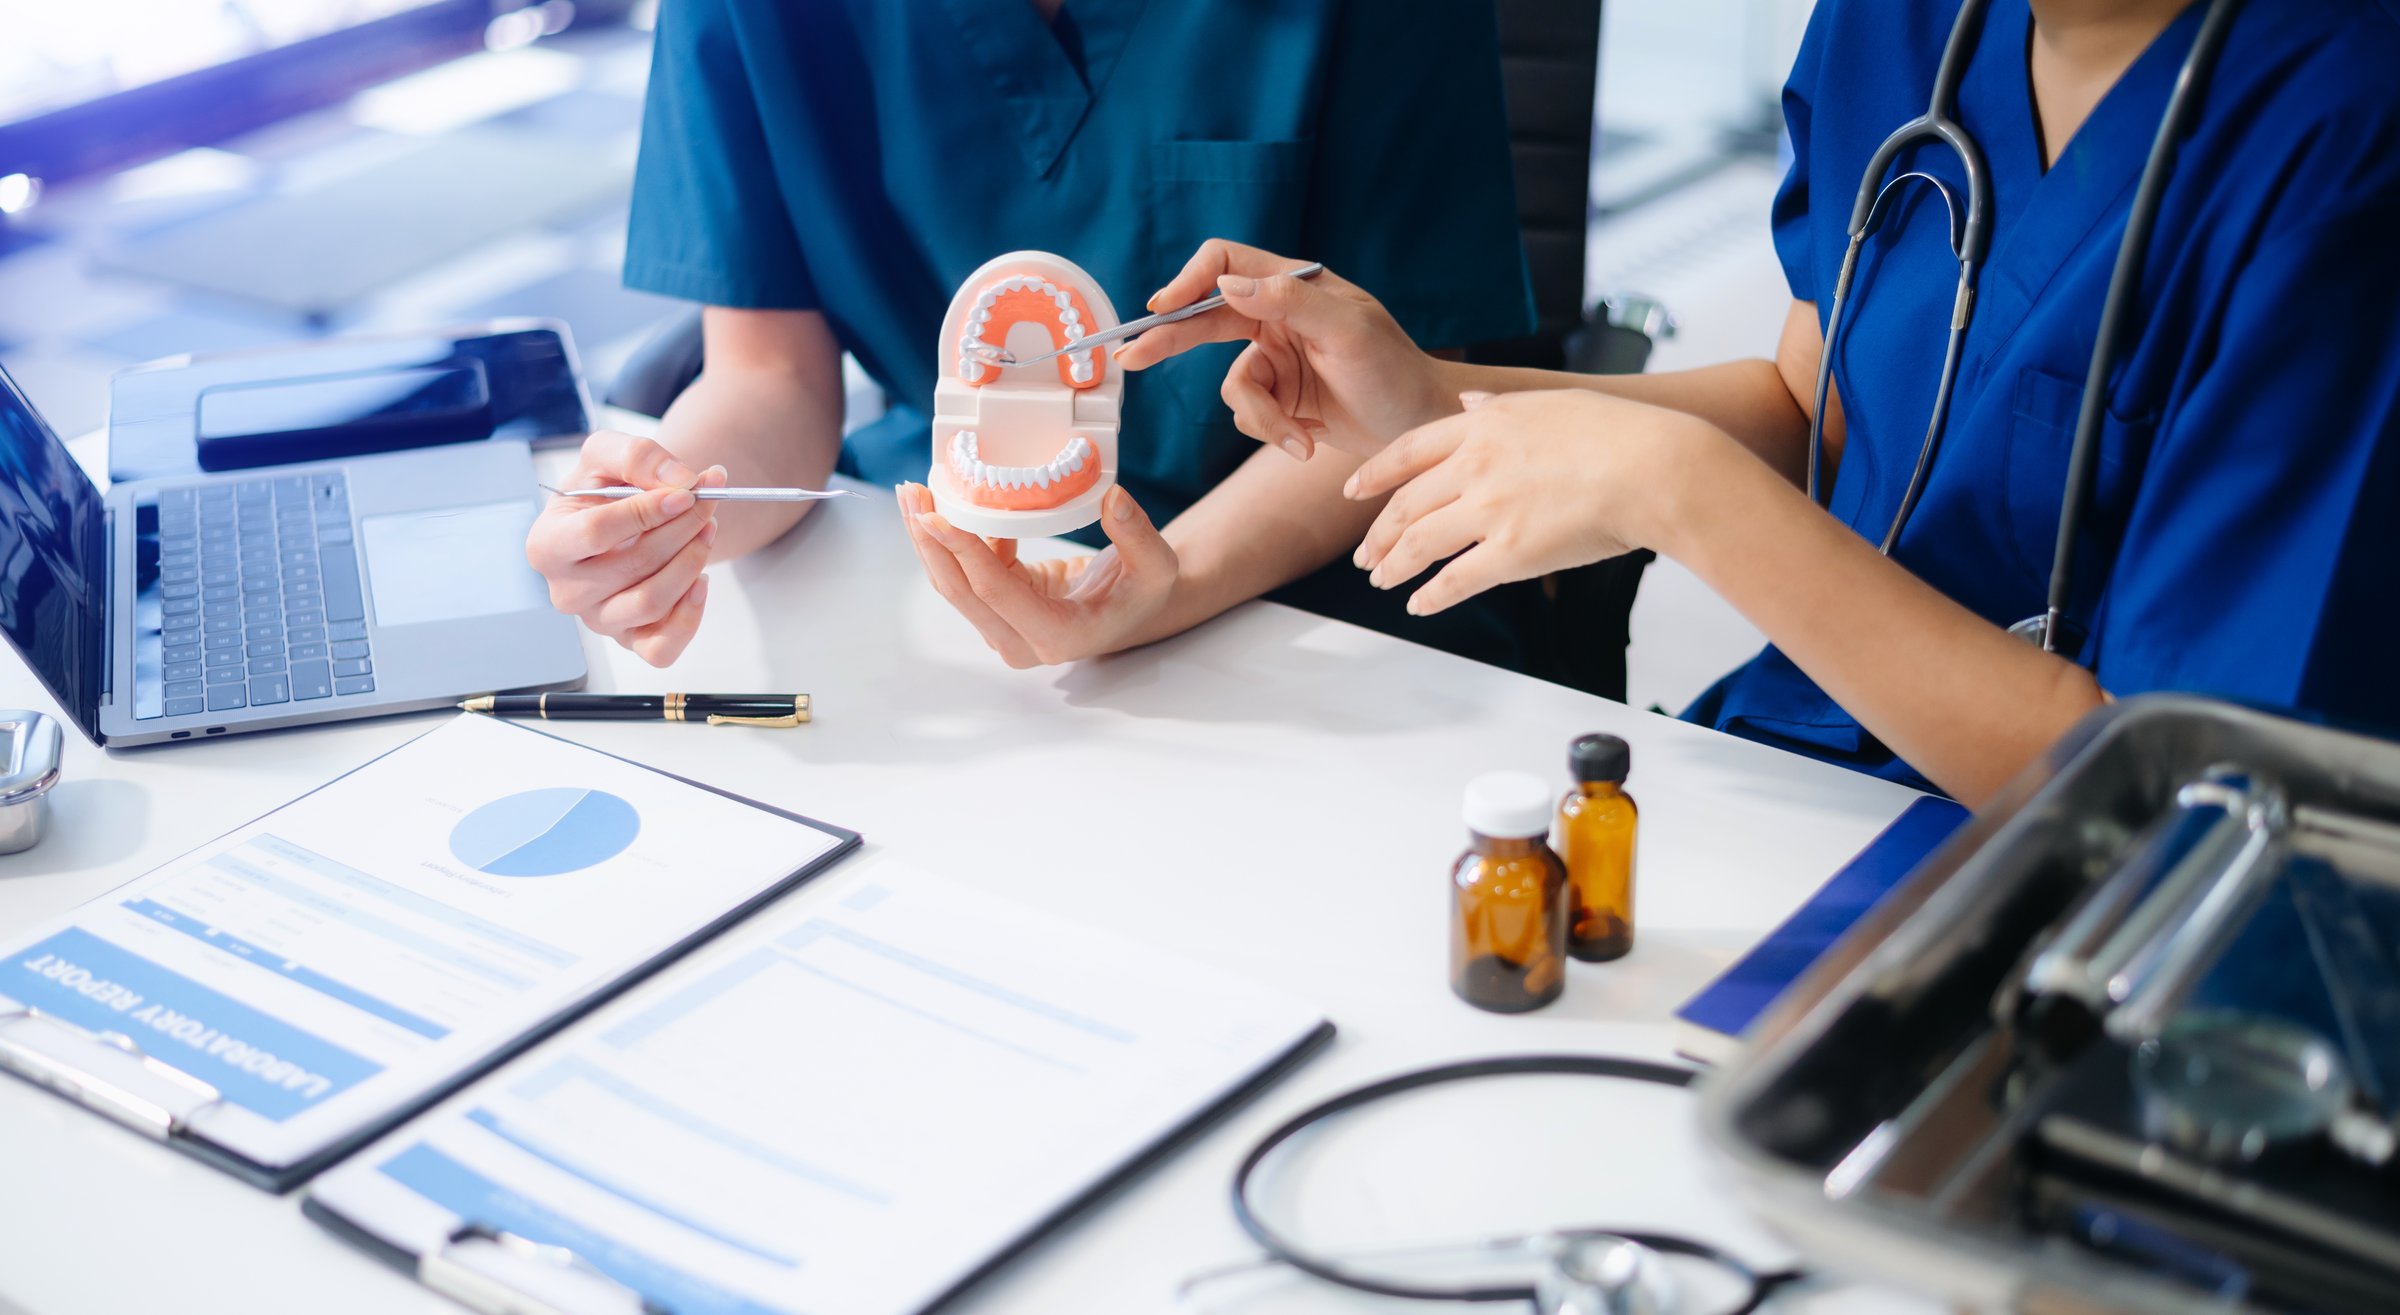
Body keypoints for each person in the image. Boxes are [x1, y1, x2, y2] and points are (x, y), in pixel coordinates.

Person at [1077, 0, 2400, 806]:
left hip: (2095, 911)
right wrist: (1434, 399)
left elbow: (2175, 793)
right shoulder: (1906, 22)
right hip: (1795, 780)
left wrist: (1677, 490)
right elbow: (1811, 405)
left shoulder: (2345, 135)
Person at [526, 0, 1540, 671]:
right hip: (942, 560)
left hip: (1325, 596)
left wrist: (1165, 582)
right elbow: (771, 380)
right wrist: (666, 518)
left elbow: (1400, 401)